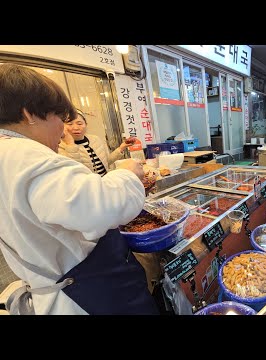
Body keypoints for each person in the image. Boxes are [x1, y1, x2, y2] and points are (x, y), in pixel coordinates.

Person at [0, 63, 158, 315]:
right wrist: (128, 173)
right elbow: (102, 206)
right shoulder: (24, 155)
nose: (64, 129)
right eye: (59, 118)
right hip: (83, 295)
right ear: (29, 114)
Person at [59, 109, 136, 176]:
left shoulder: (95, 139)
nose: (75, 127)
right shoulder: (60, 145)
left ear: (86, 124)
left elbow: (106, 162)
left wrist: (121, 148)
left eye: (79, 123)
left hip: (104, 182)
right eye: (69, 124)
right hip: (88, 188)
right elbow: (74, 171)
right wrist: (70, 145)